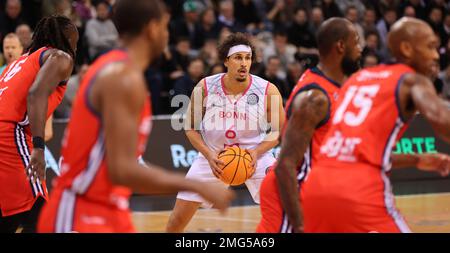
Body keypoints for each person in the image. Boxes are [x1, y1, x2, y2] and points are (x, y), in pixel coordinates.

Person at [37, 0, 234, 233]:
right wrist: (198, 186)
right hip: (80, 212)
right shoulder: (121, 77)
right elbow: (122, 170)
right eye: (165, 26)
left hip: (110, 208)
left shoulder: (122, 70)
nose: (166, 34)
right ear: (151, 28)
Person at [302, 17, 450, 232]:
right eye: (430, 47)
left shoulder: (358, 79)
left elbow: (358, 153)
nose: (436, 55)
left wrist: (417, 159)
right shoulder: (411, 80)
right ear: (407, 48)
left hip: (315, 187)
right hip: (359, 191)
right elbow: (440, 118)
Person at [166, 32, 285, 232]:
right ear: (226, 61)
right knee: (176, 221)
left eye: (247, 58)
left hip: (255, 154)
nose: (244, 63)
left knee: (283, 209)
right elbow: (191, 128)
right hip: (213, 156)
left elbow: (277, 133)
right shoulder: (205, 86)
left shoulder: (267, 89)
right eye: (238, 58)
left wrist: (255, 153)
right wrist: (209, 155)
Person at [257, 17, 362, 233]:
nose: (360, 49)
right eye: (357, 42)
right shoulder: (315, 97)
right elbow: (286, 165)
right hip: (290, 197)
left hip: (318, 195)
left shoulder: (338, 86)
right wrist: (299, 225)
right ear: (341, 46)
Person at [0, 15, 79, 233]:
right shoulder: (61, 57)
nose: (76, 47)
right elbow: (36, 94)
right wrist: (38, 147)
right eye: (75, 40)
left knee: (14, 214)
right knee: (41, 214)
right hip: (11, 134)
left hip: (6, 132)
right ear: (66, 39)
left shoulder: (19, 61)